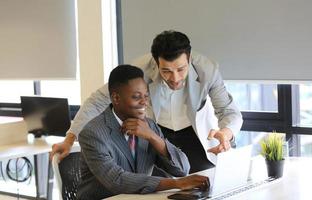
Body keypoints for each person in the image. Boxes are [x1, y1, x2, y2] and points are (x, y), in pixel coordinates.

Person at [52, 30, 243, 173]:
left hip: (195, 136)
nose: (175, 78)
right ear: (155, 62)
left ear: (190, 58)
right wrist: (70, 139)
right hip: (157, 134)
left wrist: (226, 132)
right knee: (156, 188)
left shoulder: (207, 70)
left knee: (204, 186)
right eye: (166, 71)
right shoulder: (139, 70)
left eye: (181, 69)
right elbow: (97, 100)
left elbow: (228, 111)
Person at [77, 65, 209, 199]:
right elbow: (117, 180)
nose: (144, 102)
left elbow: (182, 169)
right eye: (136, 97)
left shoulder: (149, 125)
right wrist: (176, 183)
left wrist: (153, 137)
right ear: (116, 98)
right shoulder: (92, 133)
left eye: (146, 96)